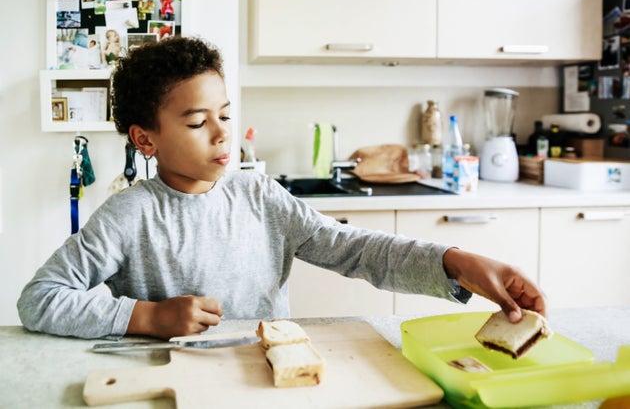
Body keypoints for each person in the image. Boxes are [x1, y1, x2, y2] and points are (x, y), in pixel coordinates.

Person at [17, 37, 547, 340]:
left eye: (225, 114)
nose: (223, 132)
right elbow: (39, 300)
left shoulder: (261, 197)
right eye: (198, 122)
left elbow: (355, 249)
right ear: (145, 139)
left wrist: (455, 262)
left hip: (267, 377)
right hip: (169, 386)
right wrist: (147, 316)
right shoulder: (128, 215)